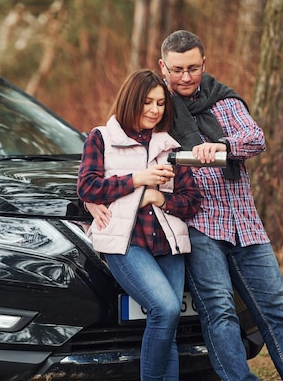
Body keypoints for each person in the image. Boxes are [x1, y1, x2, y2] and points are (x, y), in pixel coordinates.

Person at [86, 31, 283, 380]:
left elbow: (255, 138)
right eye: (177, 69)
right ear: (162, 66)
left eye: (193, 68)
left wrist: (222, 145)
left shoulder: (224, 100)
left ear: (204, 64)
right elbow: (115, 148)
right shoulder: (158, 108)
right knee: (219, 312)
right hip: (196, 225)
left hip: (245, 222)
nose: (185, 77)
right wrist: (91, 197)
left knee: (277, 310)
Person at [77, 69, 202, 381]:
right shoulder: (101, 138)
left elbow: (192, 201)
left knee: (168, 328)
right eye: (148, 102)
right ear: (132, 100)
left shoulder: (170, 147)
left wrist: (160, 200)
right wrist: (137, 181)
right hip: (127, 245)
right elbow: (88, 187)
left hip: (169, 245)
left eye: (160, 103)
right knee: (167, 309)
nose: (154, 110)